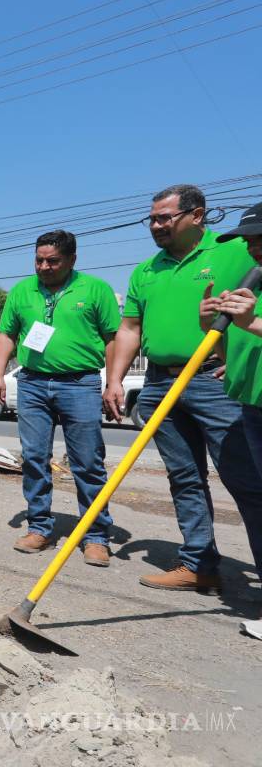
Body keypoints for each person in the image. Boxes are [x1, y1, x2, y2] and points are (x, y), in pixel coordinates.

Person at [104, 184, 262, 591]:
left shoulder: (237, 249)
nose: (156, 226)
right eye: (152, 219)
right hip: (159, 382)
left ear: (197, 215)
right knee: (184, 478)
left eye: (164, 218)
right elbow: (130, 328)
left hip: (213, 383)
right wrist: (115, 378)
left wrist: (234, 354)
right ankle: (198, 564)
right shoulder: (146, 270)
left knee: (246, 481)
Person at [0, 230, 120, 566]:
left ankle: (95, 536)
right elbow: (7, 334)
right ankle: (39, 527)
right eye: (39, 260)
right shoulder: (22, 290)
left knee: (87, 462)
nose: (44, 267)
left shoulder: (95, 289)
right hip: (32, 383)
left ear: (72, 259)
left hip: (80, 383)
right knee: (34, 458)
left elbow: (112, 338)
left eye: (52, 261)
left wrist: (113, 382)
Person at [197, 201, 262, 638]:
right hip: (252, 404)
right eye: (250, 241)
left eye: (261, 240)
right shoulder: (254, 283)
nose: (254, 249)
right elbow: (231, 353)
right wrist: (213, 327)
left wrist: (251, 320)